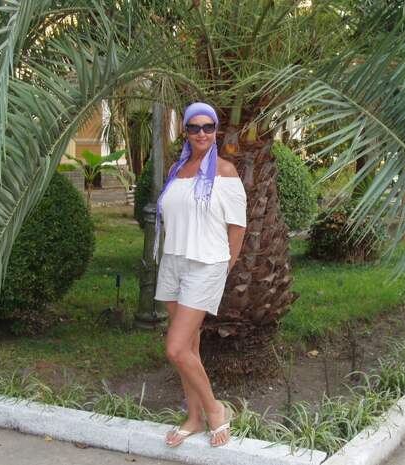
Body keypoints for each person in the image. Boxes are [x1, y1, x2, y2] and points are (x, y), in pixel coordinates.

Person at [153, 102, 247, 448]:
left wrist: (224, 269)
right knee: (189, 347)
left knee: (176, 348)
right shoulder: (177, 170)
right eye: (194, 127)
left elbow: (238, 228)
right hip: (173, 263)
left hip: (206, 265)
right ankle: (193, 418)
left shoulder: (225, 172)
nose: (202, 133)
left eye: (208, 127)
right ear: (186, 132)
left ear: (216, 131)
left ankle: (214, 409)